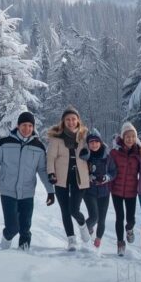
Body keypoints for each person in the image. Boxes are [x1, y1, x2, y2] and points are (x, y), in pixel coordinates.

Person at [0, 111, 55, 251]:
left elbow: (43, 171)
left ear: (33, 127)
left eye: (30, 126)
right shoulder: (5, 143)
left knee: (25, 227)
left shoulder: (38, 147)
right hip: (8, 191)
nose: (27, 129)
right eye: (24, 125)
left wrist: (50, 191)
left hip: (27, 192)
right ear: (18, 126)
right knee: (12, 227)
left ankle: (23, 254)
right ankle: (6, 241)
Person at [46, 106, 91, 251]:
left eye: (73, 119)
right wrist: (51, 173)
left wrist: (88, 153)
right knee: (65, 210)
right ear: (63, 122)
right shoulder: (56, 138)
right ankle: (71, 239)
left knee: (74, 209)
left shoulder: (85, 136)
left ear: (78, 120)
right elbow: (50, 158)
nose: (71, 122)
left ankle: (82, 225)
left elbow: (97, 150)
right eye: (68, 119)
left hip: (80, 177)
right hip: (61, 178)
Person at [109, 122, 141, 257]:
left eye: (133, 136)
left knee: (130, 219)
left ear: (136, 138)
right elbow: (109, 169)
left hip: (131, 191)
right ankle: (120, 244)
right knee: (119, 217)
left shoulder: (139, 153)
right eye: (127, 136)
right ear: (122, 137)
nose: (130, 139)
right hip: (116, 190)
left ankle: (129, 229)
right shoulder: (114, 153)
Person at [83, 131, 117, 249]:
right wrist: (88, 177)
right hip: (89, 192)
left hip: (104, 192)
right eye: (91, 142)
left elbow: (113, 171)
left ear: (101, 142)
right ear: (88, 144)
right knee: (94, 217)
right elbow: (80, 172)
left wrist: (106, 178)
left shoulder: (107, 157)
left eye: (96, 141)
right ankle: (85, 229)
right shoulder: (85, 156)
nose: (94, 144)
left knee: (101, 219)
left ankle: (97, 241)